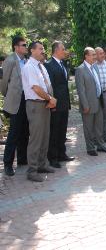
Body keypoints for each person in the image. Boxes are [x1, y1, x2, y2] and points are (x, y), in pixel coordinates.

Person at [22, 41, 57, 182]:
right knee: (36, 139)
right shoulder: (29, 67)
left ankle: (42, 164)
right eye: (40, 49)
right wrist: (50, 98)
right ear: (32, 50)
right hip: (36, 105)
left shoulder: (41, 66)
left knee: (44, 137)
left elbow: (47, 85)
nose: (43, 51)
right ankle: (32, 171)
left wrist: (50, 100)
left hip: (45, 104)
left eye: (43, 48)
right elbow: (36, 88)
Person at [1, 36, 29, 176]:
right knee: (14, 133)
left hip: (26, 99)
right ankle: (7, 163)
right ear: (16, 47)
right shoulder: (10, 60)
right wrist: (8, 95)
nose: (26, 47)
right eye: (24, 45)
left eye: (26, 44)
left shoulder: (26, 60)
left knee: (24, 130)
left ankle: (22, 159)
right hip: (15, 101)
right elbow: (3, 83)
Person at [75, 47, 106, 156]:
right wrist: (85, 105)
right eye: (93, 55)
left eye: (95, 55)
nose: (95, 57)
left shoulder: (94, 67)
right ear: (86, 56)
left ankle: (100, 145)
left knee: (98, 126)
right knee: (88, 128)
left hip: (98, 102)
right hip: (88, 104)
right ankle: (90, 148)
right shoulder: (80, 69)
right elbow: (81, 90)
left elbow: (97, 84)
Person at [44, 41, 74, 169]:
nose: (65, 51)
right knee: (54, 131)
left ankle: (62, 154)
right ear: (56, 50)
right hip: (55, 103)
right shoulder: (49, 65)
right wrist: (52, 102)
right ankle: (53, 157)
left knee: (62, 130)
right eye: (63, 49)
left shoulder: (63, 63)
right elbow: (49, 86)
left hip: (64, 103)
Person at [95, 47, 106, 143]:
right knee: (98, 117)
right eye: (101, 53)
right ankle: (99, 137)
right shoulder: (93, 66)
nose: (103, 55)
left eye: (103, 53)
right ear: (96, 55)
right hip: (97, 95)